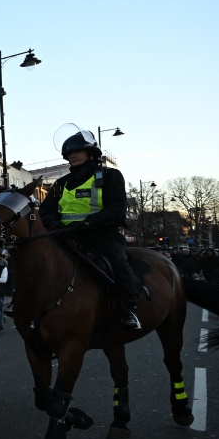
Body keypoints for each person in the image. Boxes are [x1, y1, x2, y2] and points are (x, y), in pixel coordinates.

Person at [37, 125, 142, 330]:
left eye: (77, 151)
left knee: (116, 263)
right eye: (69, 153)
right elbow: (46, 210)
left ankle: (129, 309)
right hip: (65, 236)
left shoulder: (110, 176)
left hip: (101, 235)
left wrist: (88, 222)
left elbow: (116, 208)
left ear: (90, 152)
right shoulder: (60, 183)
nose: (72, 156)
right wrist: (53, 223)